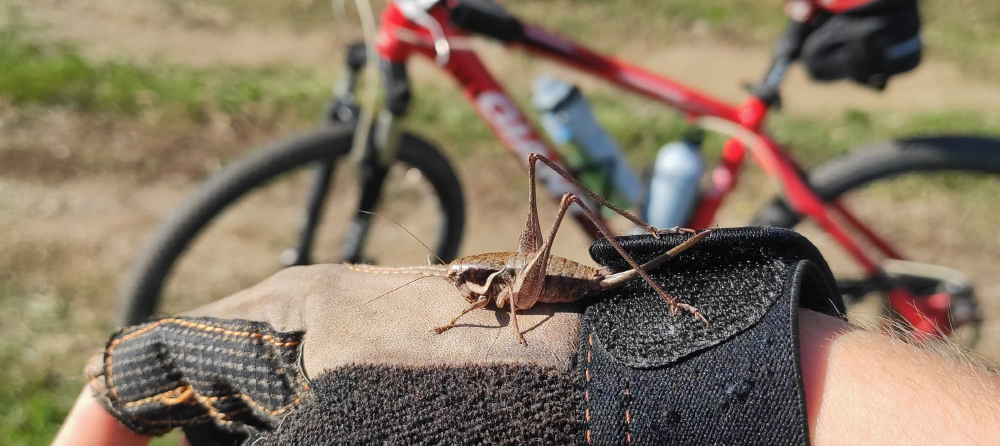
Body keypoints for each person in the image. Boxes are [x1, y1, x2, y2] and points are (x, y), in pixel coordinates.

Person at [53, 229, 1000, 445]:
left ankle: (668, 286)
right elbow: (483, 299)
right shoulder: (480, 292)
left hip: (585, 292)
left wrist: (682, 380)